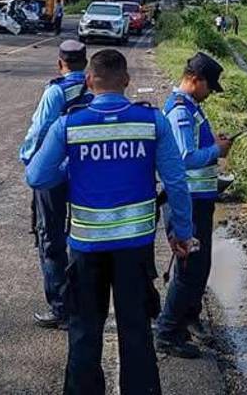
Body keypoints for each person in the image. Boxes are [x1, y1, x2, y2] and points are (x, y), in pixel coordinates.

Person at [25, 49, 195, 395]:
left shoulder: (69, 124)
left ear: (89, 81)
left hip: (86, 247)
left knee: (85, 330)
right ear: (127, 81)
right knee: (136, 330)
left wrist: (73, 168)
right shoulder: (151, 122)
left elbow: (37, 177)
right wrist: (182, 233)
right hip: (134, 248)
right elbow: (177, 182)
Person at [154, 51, 233, 357]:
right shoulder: (180, 111)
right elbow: (186, 159)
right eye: (209, 86)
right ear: (194, 80)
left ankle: (186, 318)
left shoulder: (191, 107)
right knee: (190, 270)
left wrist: (214, 144)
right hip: (185, 202)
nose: (211, 93)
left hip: (198, 200)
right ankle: (167, 332)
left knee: (199, 268)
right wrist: (217, 150)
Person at [19, 39, 91, 329]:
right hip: (85, 170)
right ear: (85, 63)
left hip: (54, 174)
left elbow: (39, 133)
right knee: (83, 235)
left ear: (60, 63)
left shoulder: (55, 91)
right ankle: (86, 300)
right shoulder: (93, 86)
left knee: (50, 238)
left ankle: (61, 307)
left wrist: (29, 161)